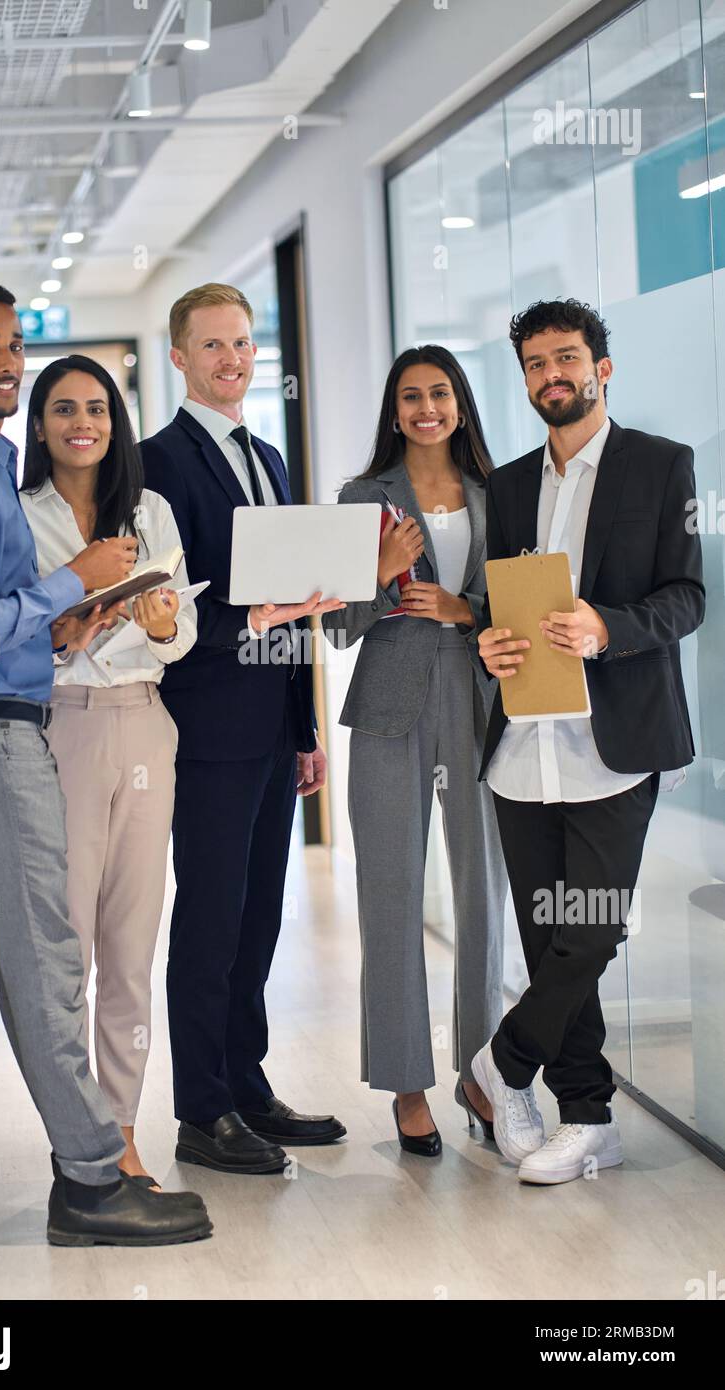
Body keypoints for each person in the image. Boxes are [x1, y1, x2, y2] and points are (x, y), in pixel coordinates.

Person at [0, 280, 210, 1245]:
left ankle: (90, 1170)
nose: (2, 361)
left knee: (67, 958)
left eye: (11, 345)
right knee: (48, 964)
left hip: (19, 715)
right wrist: (69, 586)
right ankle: (90, 1181)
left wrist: (61, 619)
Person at [471, 298, 704, 1185]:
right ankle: (586, 1115)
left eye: (566, 358)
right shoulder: (511, 482)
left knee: (593, 928)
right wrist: (487, 642)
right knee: (546, 938)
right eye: (535, 364)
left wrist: (609, 628)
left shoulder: (659, 466)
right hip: (521, 743)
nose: (551, 375)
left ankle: (500, 1066)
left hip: (616, 741)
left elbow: (687, 596)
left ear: (601, 367)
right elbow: (498, 606)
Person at [140, 282, 347, 1173]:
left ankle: (248, 1087)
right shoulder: (157, 464)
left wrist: (303, 727)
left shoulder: (268, 457)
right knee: (211, 919)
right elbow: (164, 613)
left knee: (261, 914)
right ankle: (202, 1110)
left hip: (270, 728)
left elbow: (297, 607)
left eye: (243, 345)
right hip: (206, 729)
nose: (232, 360)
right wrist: (251, 619)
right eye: (213, 346)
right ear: (180, 357)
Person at [321, 346, 507, 1156]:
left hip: (478, 697)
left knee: (482, 896)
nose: (425, 407)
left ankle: (482, 1074)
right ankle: (406, 1084)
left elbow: (523, 601)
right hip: (390, 706)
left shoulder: (505, 493)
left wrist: (463, 610)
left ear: (459, 404)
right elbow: (332, 627)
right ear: (394, 412)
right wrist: (381, 570)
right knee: (390, 894)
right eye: (410, 396)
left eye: (438, 393)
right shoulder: (362, 499)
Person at [21, 353, 197, 1186]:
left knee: (132, 946)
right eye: (63, 409)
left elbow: (182, 631)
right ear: (42, 425)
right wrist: (81, 625)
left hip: (145, 727)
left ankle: (123, 1131)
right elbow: (32, 641)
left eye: (96, 408)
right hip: (63, 732)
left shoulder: (151, 510)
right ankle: (78, 1138)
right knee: (68, 950)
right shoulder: (21, 515)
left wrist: (156, 624)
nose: (82, 422)